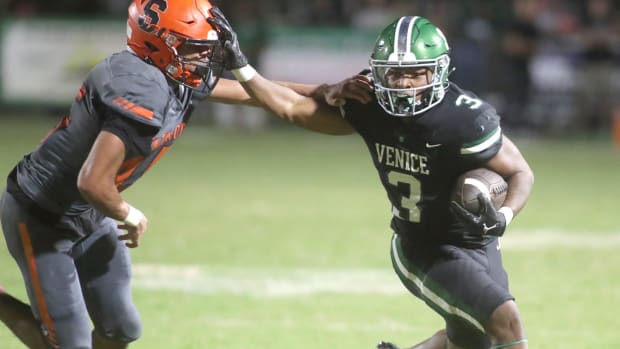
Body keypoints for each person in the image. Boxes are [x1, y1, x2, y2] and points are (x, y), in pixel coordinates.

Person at [0, 1, 321, 348]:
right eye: (193, 48)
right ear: (156, 44)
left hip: (89, 213)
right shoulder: (141, 87)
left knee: (121, 330)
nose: (203, 58)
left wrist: (323, 91)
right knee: (70, 344)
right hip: (42, 214)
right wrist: (129, 214)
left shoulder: (170, 73)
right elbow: (92, 181)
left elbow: (251, 94)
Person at [209, 10, 535, 349]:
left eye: (416, 74)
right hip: (424, 246)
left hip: (478, 242)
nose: (403, 84)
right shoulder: (370, 103)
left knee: (471, 344)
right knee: (506, 320)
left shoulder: (464, 119)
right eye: (394, 74)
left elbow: (521, 172)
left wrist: (504, 215)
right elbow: (291, 105)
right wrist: (233, 72)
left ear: (439, 71)